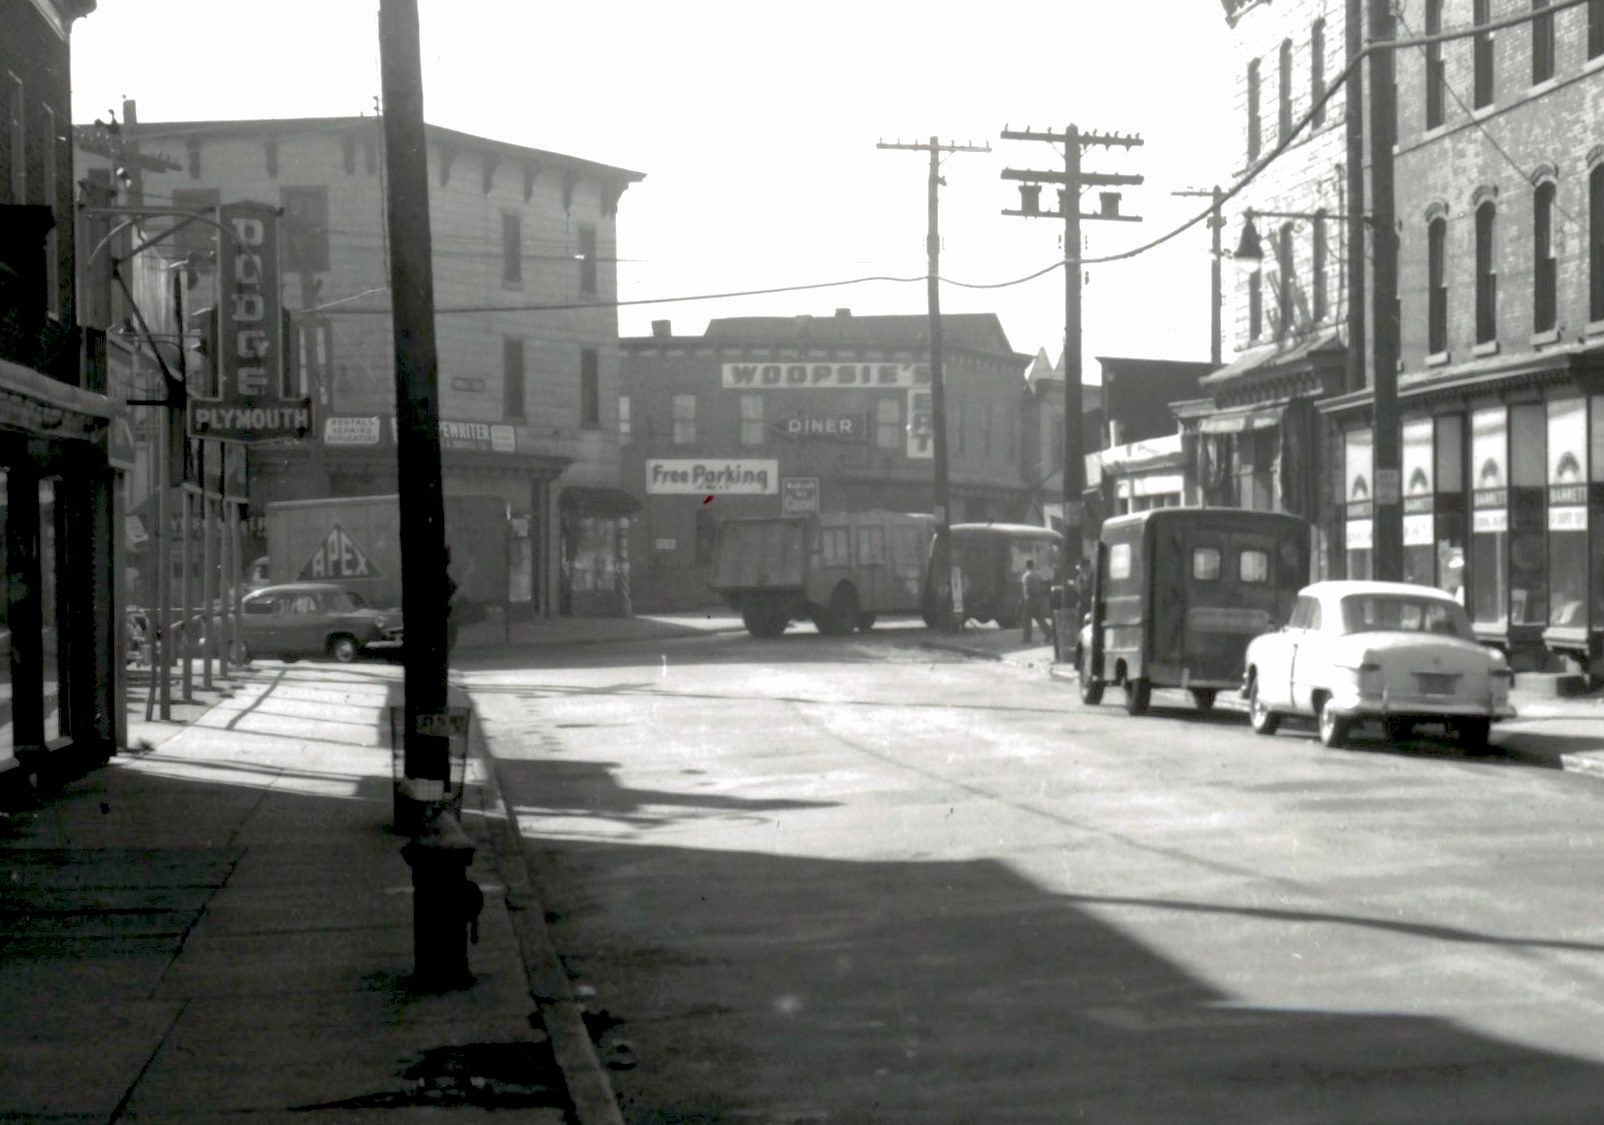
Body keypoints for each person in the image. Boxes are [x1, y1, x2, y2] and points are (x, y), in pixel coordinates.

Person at [1021, 558, 1054, 645]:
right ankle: (1048, 632)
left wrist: (1025, 598)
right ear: (1033, 565)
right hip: (1039, 599)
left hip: (1030, 599)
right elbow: (1043, 586)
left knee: (1027, 619)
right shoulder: (1038, 575)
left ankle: (1027, 638)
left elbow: (1026, 589)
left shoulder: (1026, 576)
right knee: (1039, 617)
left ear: (1026, 566)